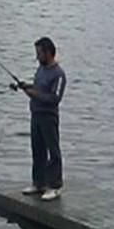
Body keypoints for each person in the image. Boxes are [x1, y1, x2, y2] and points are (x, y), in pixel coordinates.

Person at [12, 37, 67, 201]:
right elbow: (37, 89)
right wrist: (25, 87)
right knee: (38, 151)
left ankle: (55, 186)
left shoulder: (58, 74)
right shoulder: (40, 70)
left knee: (53, 151)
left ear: (48, 53)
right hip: (35, 115)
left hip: (48, 117)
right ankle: (39, 183)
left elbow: (55, 98)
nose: (37, 57)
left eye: (39, 53)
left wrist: (34, 94)